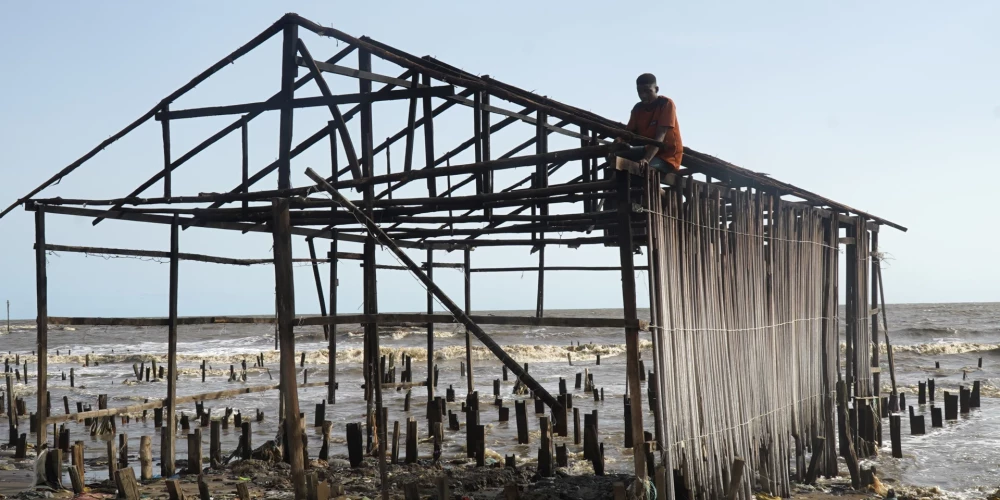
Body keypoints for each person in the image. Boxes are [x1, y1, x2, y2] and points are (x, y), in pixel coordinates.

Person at [614, 73, 683, 174]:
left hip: (667, 156)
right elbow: (628, 133)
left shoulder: (666, 104)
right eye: (640, 92)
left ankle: (656, 189)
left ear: (656, 89)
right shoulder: (637, 109)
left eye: (647, 91)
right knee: (615, 156)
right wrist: (619, 140)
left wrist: (646, 159)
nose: (643, 96)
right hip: (647, 150)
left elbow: (660, 137)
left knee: (641, 169)